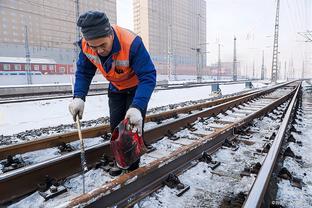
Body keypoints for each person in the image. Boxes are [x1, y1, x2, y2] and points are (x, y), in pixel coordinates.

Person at [69, 11, 156, 171]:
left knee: (131, 129)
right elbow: (84, 72)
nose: (99, 51)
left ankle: (132, 168)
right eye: (94, 47)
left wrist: (137, 106)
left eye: (103, 45)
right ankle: (120, 161)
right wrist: (79, 97)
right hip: (116, 88)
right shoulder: (86, 47)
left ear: (110, 34)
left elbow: (148, 76)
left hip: (136, 89)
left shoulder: (131, 43)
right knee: (116, 128)